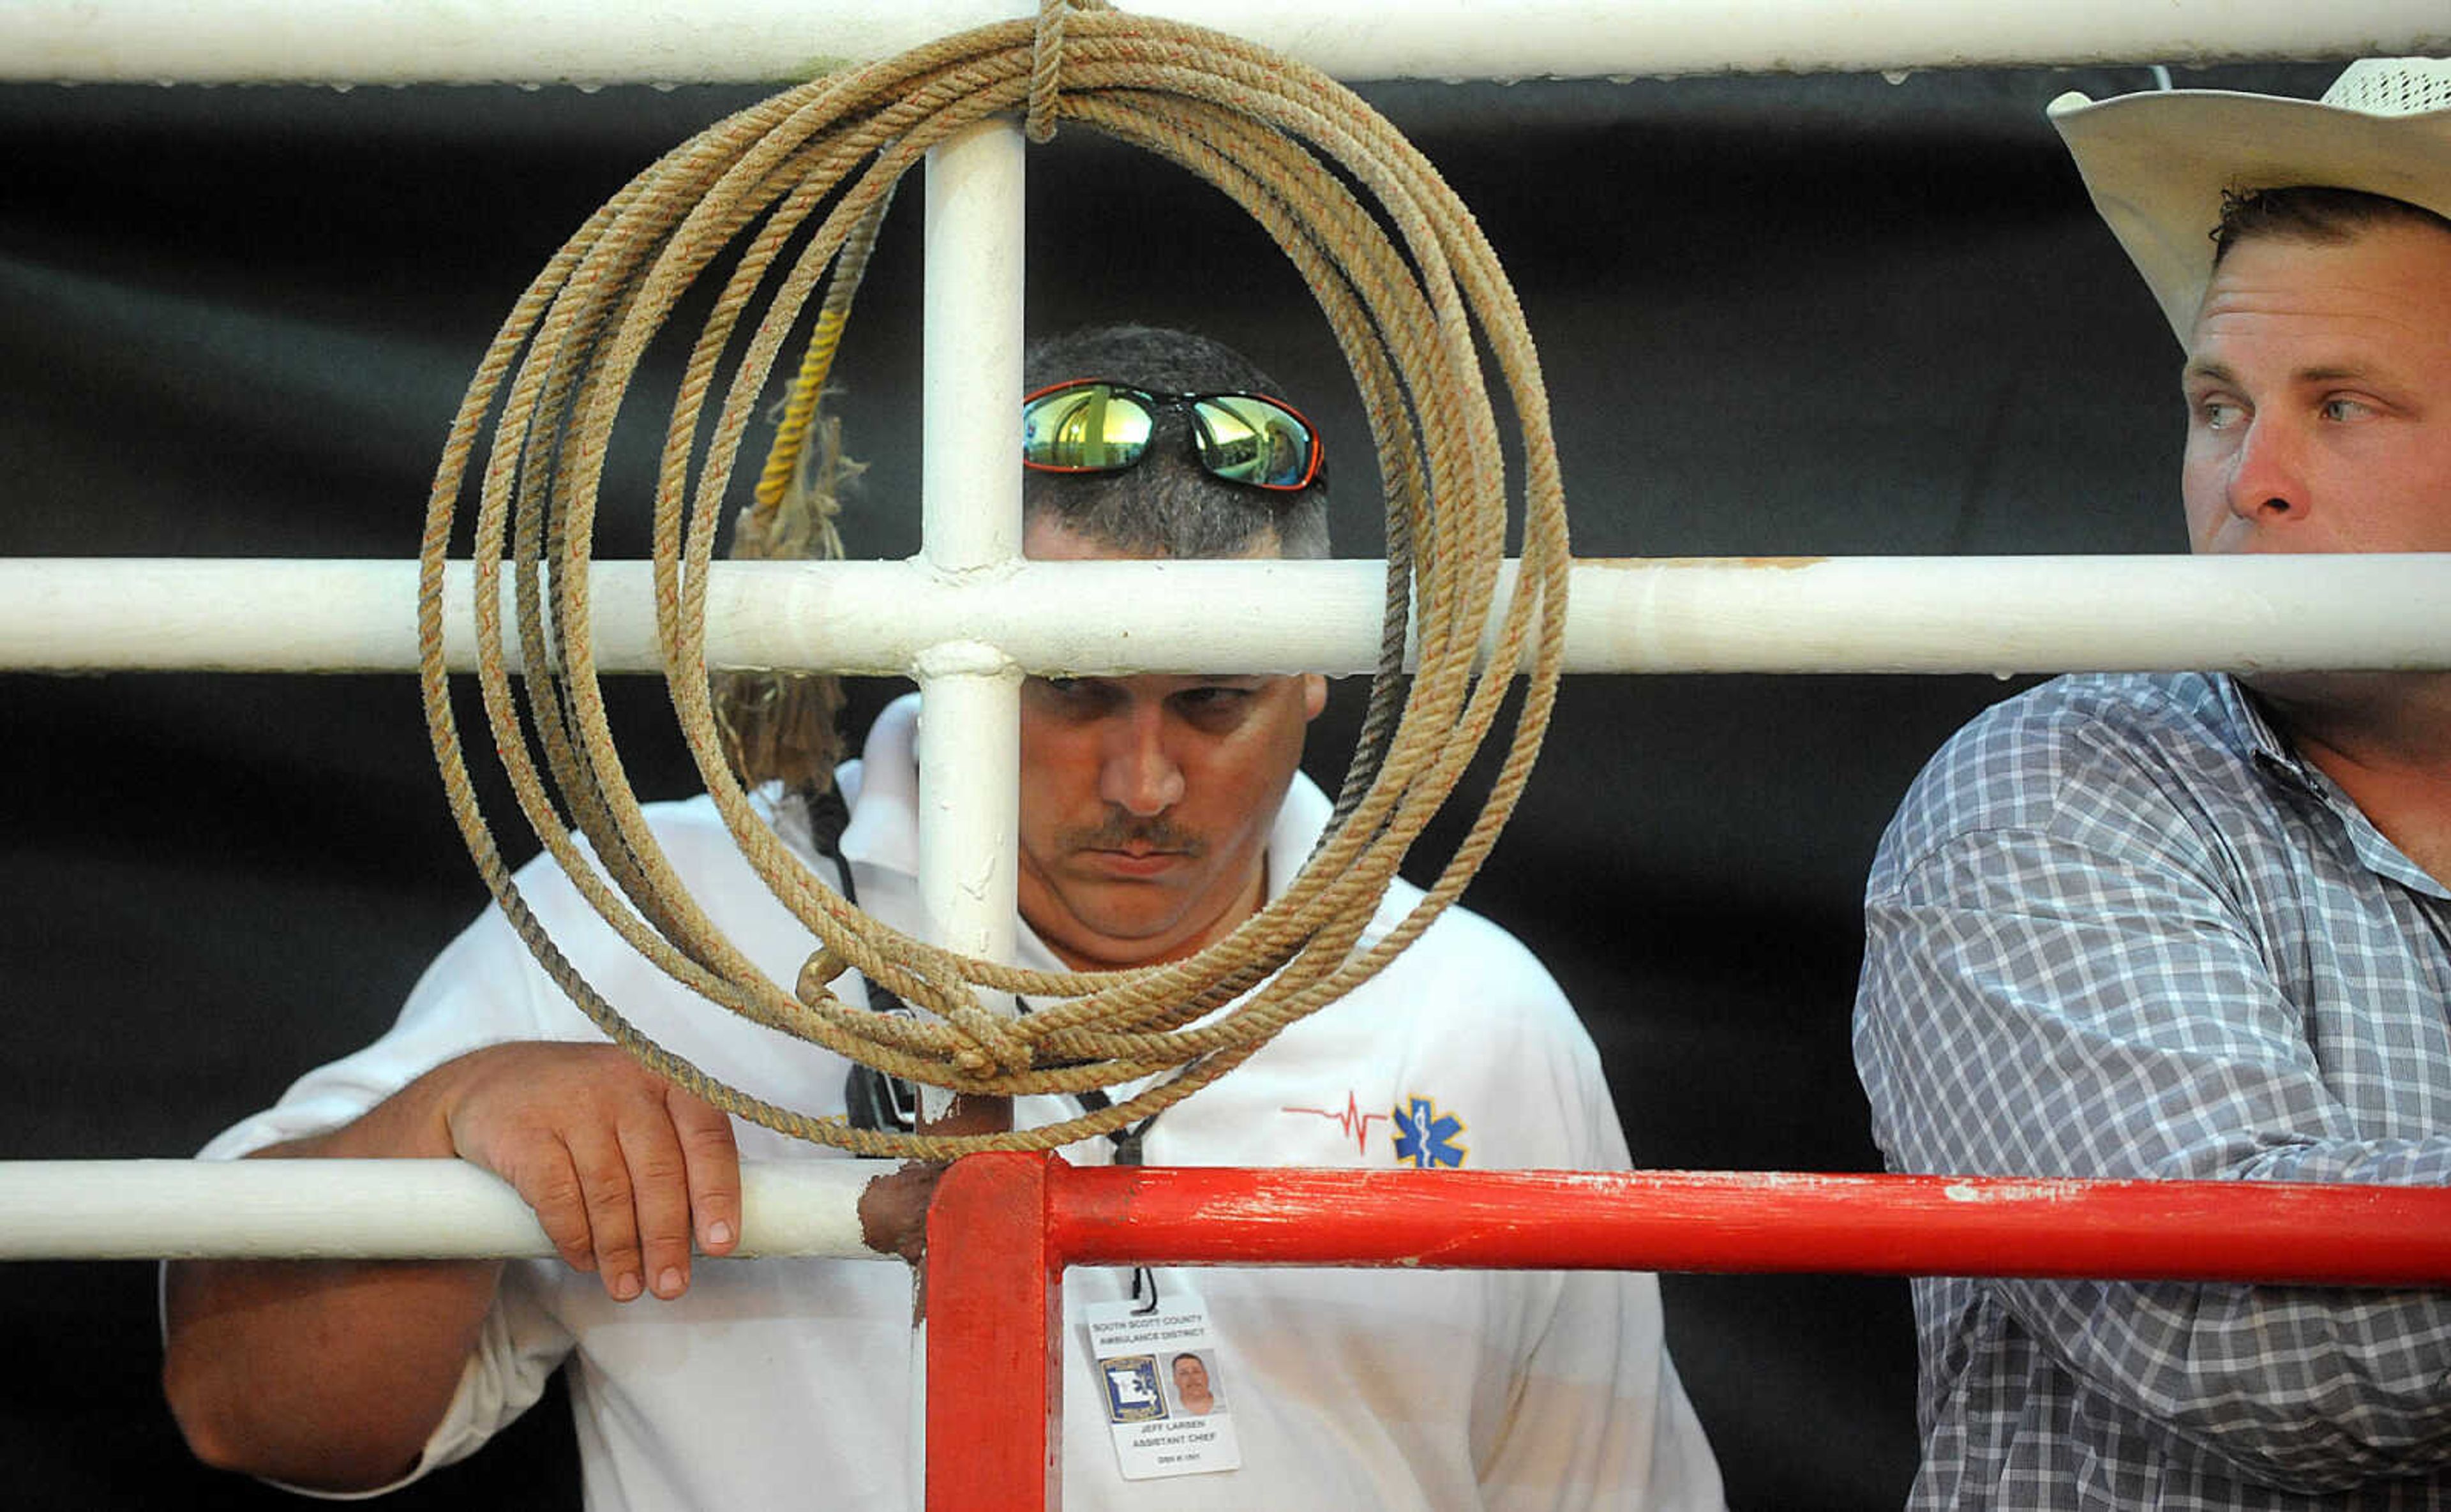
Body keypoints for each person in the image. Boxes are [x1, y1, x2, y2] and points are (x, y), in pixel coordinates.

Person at [163, 324, 1724, 1509]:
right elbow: (245, 1408)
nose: (1143, 780)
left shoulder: (1469, 1007)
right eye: (1073, 691)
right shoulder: (670, 922)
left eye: (1215, 703)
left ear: (1321, 674)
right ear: (936, 653)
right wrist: (455, 1122)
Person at [1852, 59, 2451, 1509]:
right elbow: (2246, 1327)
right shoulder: (2054, 782)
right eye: (2218, 403)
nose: (2250, 478)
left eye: (2346, 406)